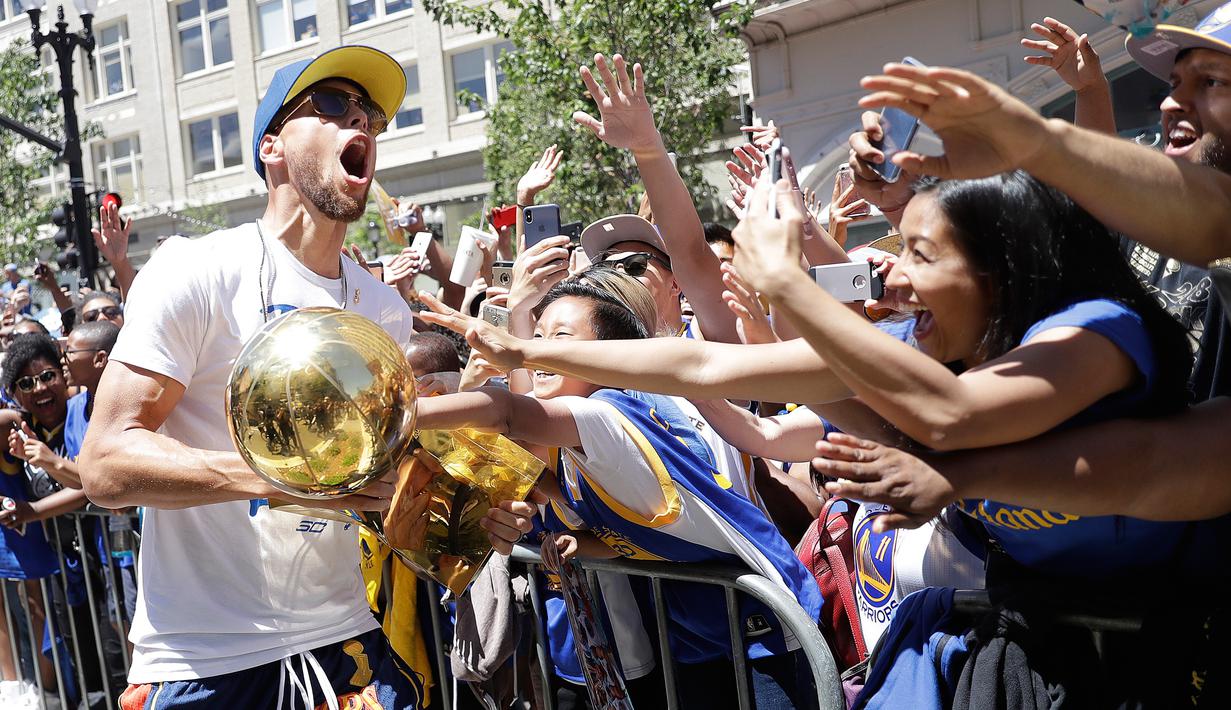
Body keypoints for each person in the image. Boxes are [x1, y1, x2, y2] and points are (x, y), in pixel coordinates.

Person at [77, 46, 533, 710]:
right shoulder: (197, 269)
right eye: (330, 105)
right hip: (206, 657)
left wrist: (463, 515)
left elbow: (374, 479)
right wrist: (294, 478)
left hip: (343, 645)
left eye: (370, 115)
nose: (361, 121)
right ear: (271, 147)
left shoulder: (380, 308)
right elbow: (106, 463)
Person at [415, 283, 823, 709]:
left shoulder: (609, 414)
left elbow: (508, 413)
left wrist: (408, 413)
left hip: (765, 630)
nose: (538, 350)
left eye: (561, 338)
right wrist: (584, 542)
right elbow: (601, 517)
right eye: (537, 335)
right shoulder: (569, 443)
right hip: (695, 630)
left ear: (607, 357)